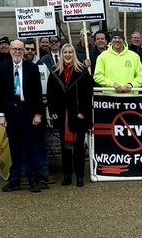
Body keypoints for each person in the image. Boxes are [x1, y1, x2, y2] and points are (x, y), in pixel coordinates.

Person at [0, 39, 48, 193]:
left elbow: (38, 92)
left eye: (20, 49)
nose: (17, 52)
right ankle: (15, 180)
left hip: (29, 112)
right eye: (15, 49)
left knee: (31, 147)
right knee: (14, 148)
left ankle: (33, 180)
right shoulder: (2, 68)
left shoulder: (32, 68)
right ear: (10, 50)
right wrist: (1, 115)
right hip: (11, 113)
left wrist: (38, 113)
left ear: (24, 51)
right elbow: (1, 94)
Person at [47, 43, 93, 187]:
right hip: (62, 115)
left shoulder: (82, 71)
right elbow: (50, 94)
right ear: (62, 54)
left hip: (78, 115)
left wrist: (83, 112)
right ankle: (67, 175)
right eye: (65, 52)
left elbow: (88, 94)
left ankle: (79, 175)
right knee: (65, 148)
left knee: (78, 147)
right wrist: (53, 111)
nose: (67, 55)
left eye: (70, 52)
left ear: (74, 54)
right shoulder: (55, 72)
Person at [21, 40, 51, 189]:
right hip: (24, 110)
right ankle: (26, 172)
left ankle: (43, 171)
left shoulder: (43, 65)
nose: (29, 51)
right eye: (27, 48)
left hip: (40, 108)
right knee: (25, 143)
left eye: (32, 49)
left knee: (40, 142)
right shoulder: (19, 66)